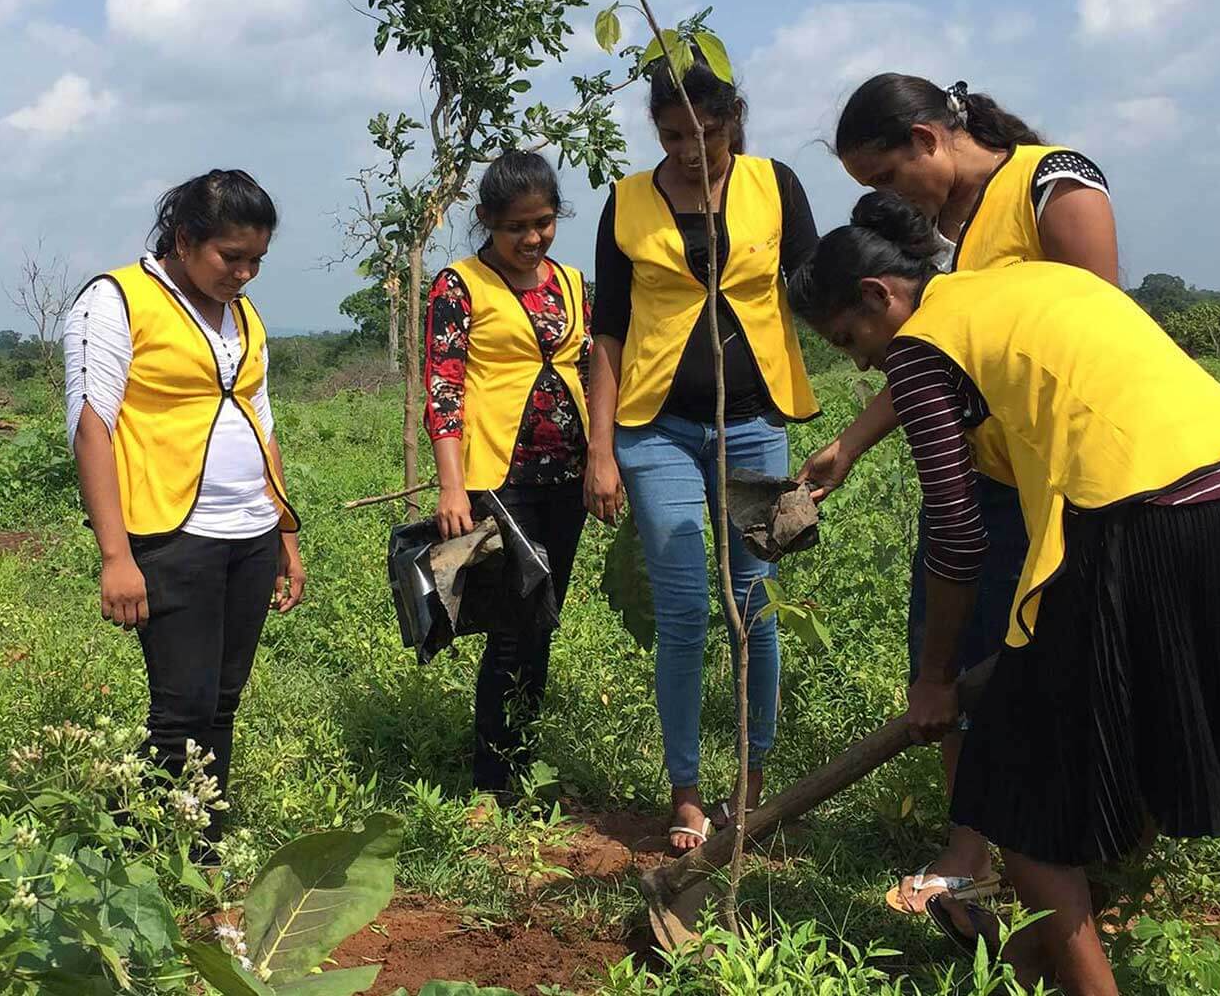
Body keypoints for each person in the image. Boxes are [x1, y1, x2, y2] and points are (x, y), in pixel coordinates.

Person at [787, 192, 1220, 995]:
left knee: (1009, 783)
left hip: (1145, 521)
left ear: (881, 297)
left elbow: (956, 538)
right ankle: (1032, 961)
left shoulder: (920, 347)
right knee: (1127, 735)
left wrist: (935, 679)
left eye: (850, 340)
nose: (860, 365)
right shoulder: (1032, 284)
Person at [805, 74, 1120, 914]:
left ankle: (1076, 846)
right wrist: (851, 443)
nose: (884, 200)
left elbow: (1106, 345)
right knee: (944, 660)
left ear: (924, 139)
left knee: (1038, 669)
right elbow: (927, 350)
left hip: (1060, 486)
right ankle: (973, 845)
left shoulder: (1055, 185)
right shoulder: (948, 234)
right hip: (981, 476)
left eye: (882, 178)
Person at [585, 53, 821, 854]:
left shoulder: (775, 185)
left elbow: (815, 283)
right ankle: (685, 793)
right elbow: (608, 331)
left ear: (734, 121)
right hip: (656, 433)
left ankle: (751, 784)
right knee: (685, 611)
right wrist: (601, 449)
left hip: (756, 426)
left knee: (755, 605)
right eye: (674, 133)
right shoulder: (624, 204)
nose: (692, 149)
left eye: (708, 132)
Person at [64, 169, 306, 837]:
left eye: (257, 260)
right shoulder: (115, 300)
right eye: (232, 257)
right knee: (182, 709)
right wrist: (115, 555)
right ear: (184, 237)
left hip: (251, 532)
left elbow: (263, 420)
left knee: (221, 705)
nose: (245, 274)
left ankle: (200, 846)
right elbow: (92, 425)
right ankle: (145, 854)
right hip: (172, 535)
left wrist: (286, 536)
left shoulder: (242, 314)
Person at [423, 150, 591, 805]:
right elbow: (444, 386)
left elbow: (594, 366)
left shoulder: (573, 284)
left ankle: (521, 762)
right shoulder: (458, 285)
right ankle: (493, 782)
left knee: (542, 621)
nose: (532, 238)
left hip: (568, 480)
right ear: (487, 221)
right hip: (501, 477)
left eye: (544, 222)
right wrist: (451, 485)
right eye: (516, 226)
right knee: (510, 627)